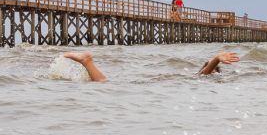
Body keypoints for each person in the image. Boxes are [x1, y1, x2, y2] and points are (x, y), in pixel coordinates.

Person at [62, 51, 240, 83]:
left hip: (158, 82)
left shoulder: (195, 77)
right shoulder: (202, 77)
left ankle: (88, 63)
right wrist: (216, 59)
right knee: (104, 83)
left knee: (107, 83)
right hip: (158, 83)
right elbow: (204, 73)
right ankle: (87, 61)